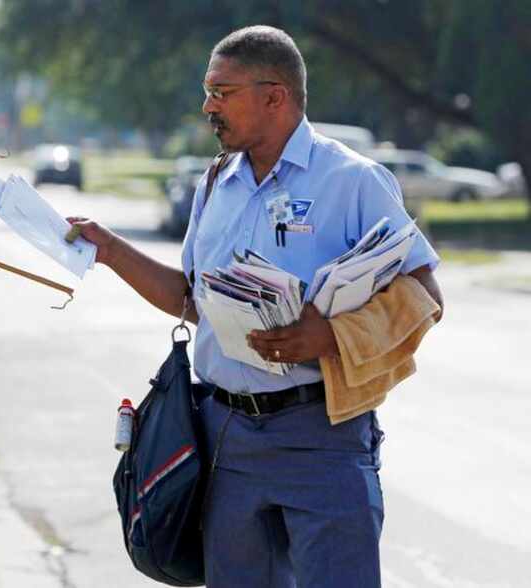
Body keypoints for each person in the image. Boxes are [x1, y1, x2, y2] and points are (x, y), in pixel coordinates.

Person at [70, 25, 443, 588]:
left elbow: (424, 296)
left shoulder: (353, 181)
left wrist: (330, 338)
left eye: (222, 92)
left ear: (275, 96)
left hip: (323, 434)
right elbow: (191, 300)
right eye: (208, 91)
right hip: (226, 440)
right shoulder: (217, 181)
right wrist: (112, 251)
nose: (207, 107)